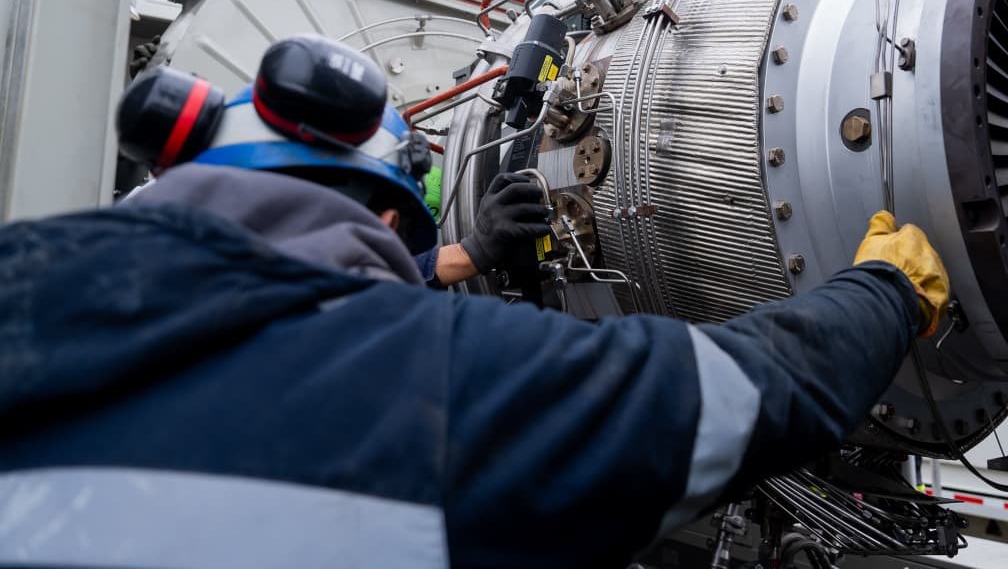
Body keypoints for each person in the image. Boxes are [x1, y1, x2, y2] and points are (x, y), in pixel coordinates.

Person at [0, 35, 950, 569]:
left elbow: (267, 315)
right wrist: (888, 289)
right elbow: (745, 393)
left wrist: (457, 257)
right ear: (376, 209)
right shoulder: (427, 387)